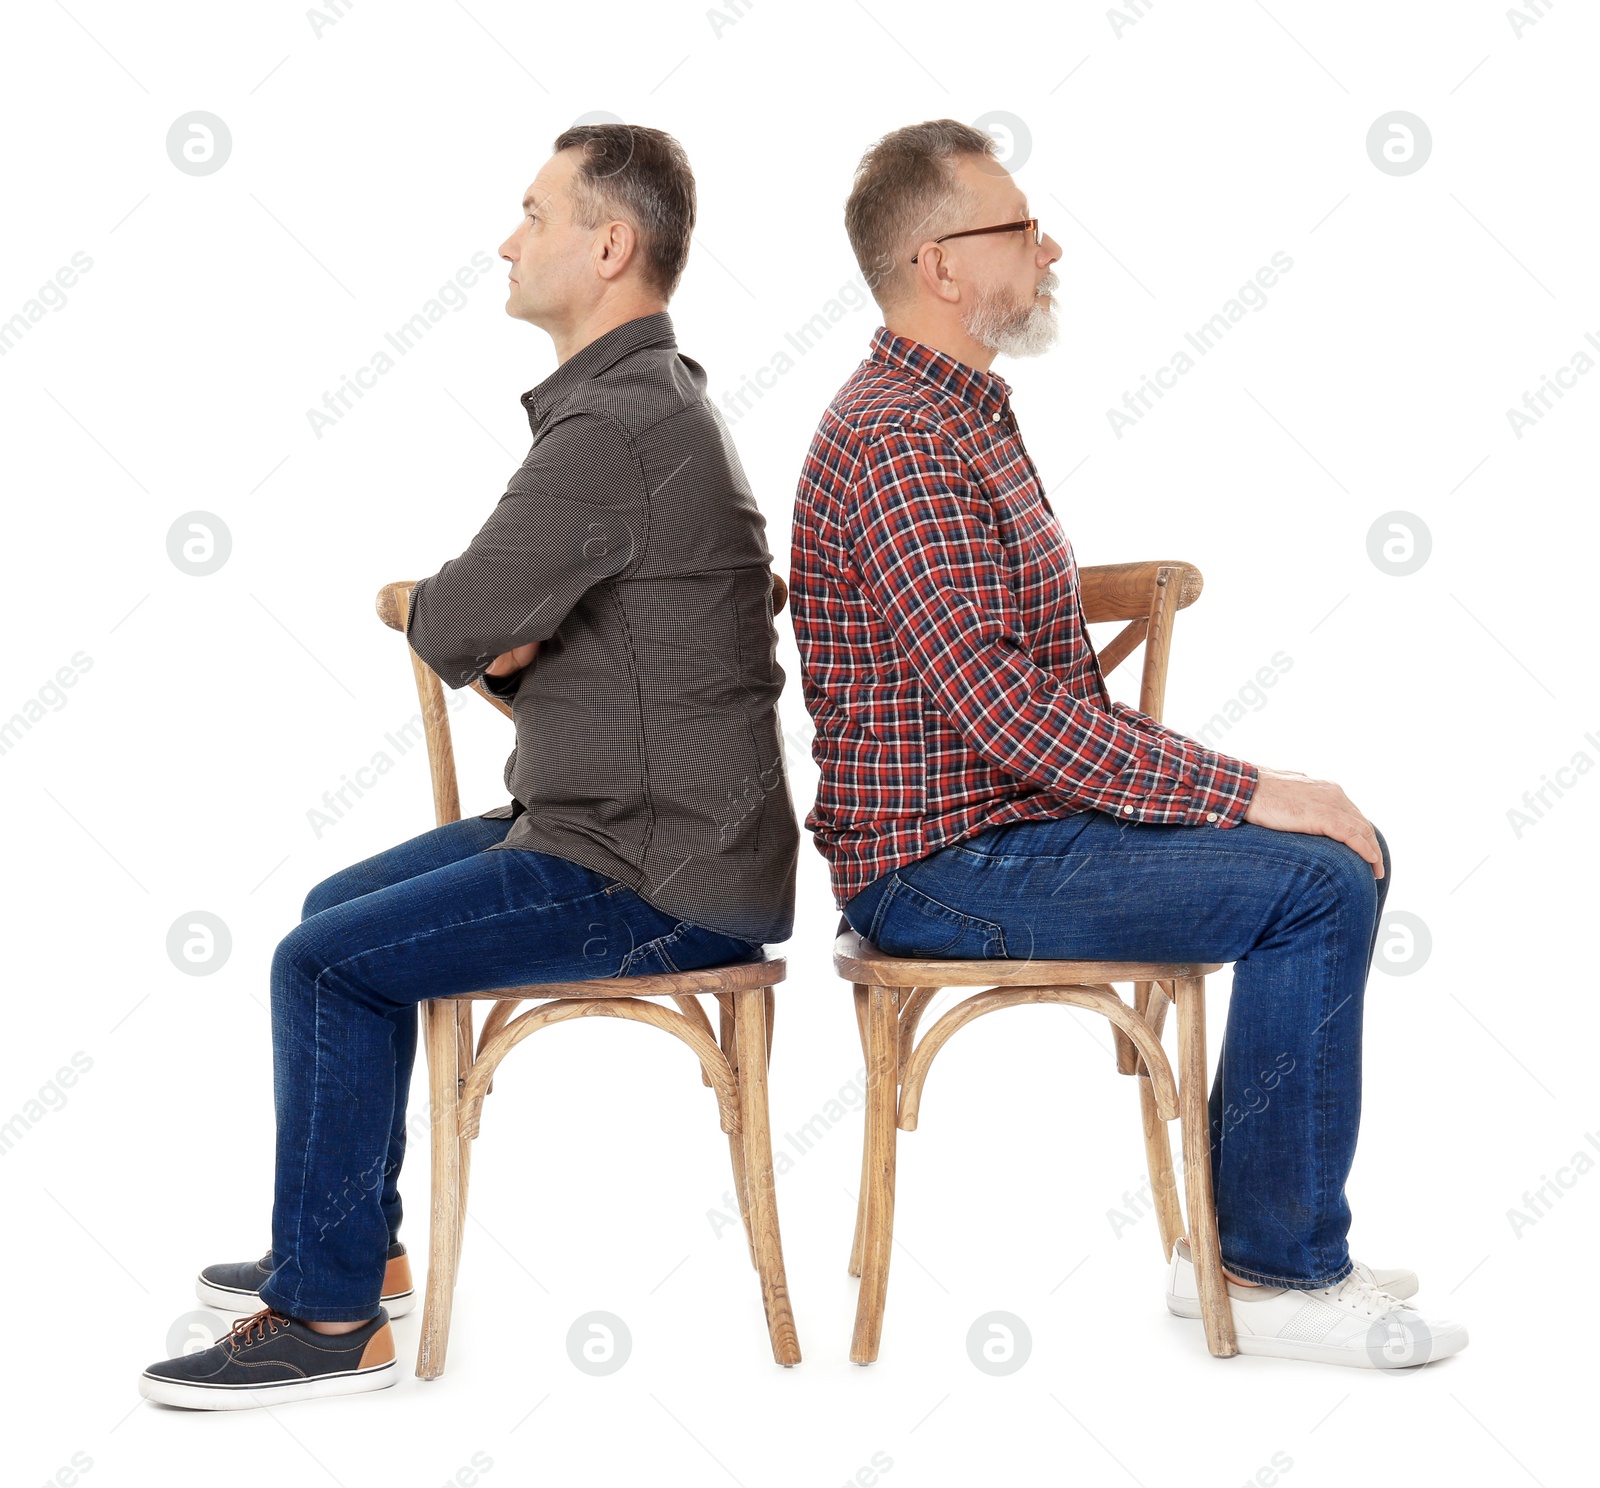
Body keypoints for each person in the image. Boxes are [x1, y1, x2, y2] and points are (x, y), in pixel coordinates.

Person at [787, 118, 1465, 1369]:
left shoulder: (958, 411)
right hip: (944, 865)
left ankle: (1254, 1238)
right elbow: (997, 702)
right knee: (1316, 881)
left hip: (1005, 826)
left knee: (1334, 852)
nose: (1049, 247)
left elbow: (1022, 687)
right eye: (1018, 227)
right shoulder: (897, 437)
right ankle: (1266, 1267)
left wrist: (1233, 791)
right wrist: (1248, 789)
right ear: (940, 264)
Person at [140, 123, 799, 1409]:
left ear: (609, 246)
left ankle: (328, 1325)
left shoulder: (616, 426)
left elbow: (447, 623)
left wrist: (501, 638)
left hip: (653, 868)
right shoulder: (642, 408)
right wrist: (518, 640)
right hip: (619, 824)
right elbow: (518, 633)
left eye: (536, 213)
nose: (509, 239)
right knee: (337, 917)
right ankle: (355, 1245)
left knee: (318, 963)